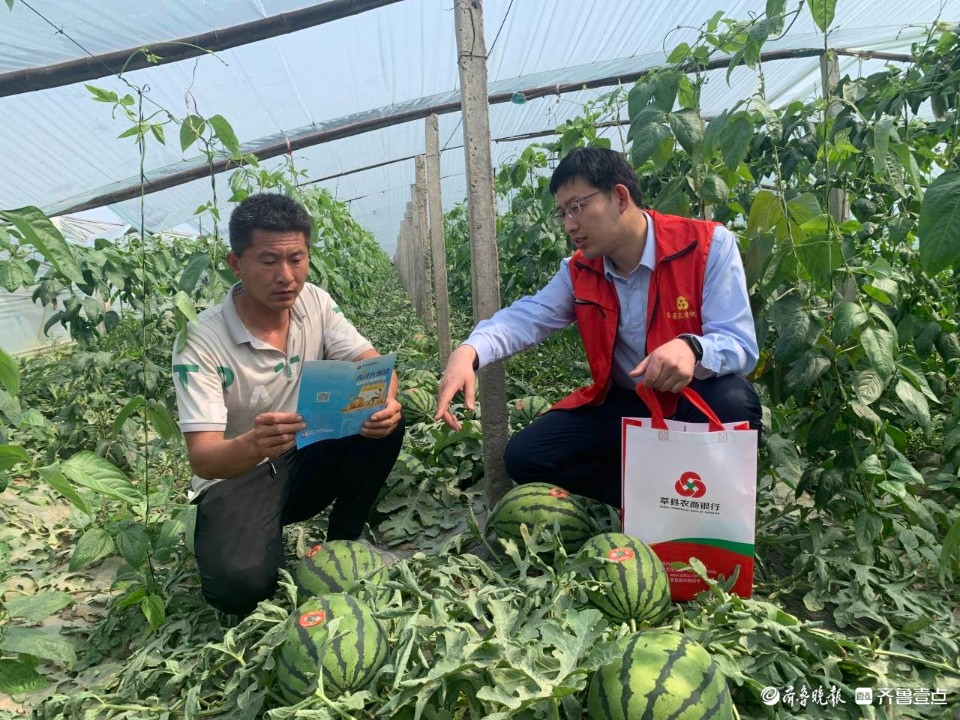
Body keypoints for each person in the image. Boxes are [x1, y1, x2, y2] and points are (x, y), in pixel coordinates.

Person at [435, 147, 760, 508]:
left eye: (577, 207)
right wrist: (470, 350)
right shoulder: (580, 270)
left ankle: (711, 505)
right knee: (527, 456)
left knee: (735, 403)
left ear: (620, 197)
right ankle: (650, 498)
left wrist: (692, 348)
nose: (569, 224)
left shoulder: (706, 245)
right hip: (624, 403)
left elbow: (740, 345)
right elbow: (528, 316)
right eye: (562, 213)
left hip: (691, 398)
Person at [172, 193, 404, 615]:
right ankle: (247, 536)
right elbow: (204, 458)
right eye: (268, 261)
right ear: (235, 264)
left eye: (296, 259)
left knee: (384, 420)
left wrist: (386, 401)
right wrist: (253, 444)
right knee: (240, 588)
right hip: (238, 476)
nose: (287, 276)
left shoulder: (314, 302)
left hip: (304, 455)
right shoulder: (201, 342)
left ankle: (344, 542)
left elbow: (376, 368)